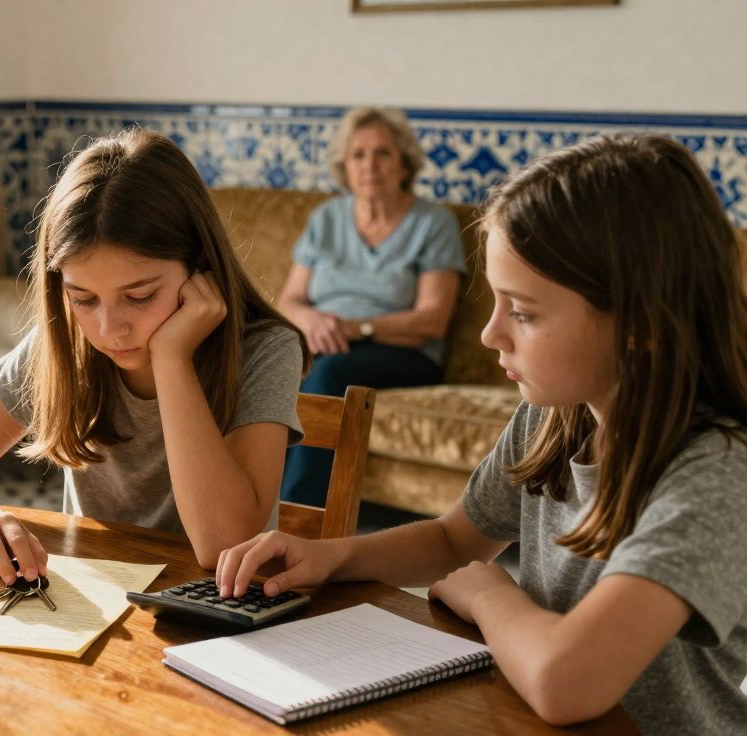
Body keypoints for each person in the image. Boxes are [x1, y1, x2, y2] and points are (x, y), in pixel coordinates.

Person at [216, 134, 747, 731]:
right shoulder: (556, 417)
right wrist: (330, 556)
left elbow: (566, 682)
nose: (490, 334)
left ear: (639, 325)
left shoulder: (716, 475)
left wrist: (493, 596)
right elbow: (452, 542)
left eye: (522, 312)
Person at [0, 128, 309, 586]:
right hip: (96, 606)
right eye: (84, 297)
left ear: (201, 267)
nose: (108, 330)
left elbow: (223, 545)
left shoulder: (266, 349)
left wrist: (172, 358)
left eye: (139, 296)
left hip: (214, 621)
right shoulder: (68, 341)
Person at [277, 106, 465, 506]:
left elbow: (433, 320)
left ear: (405, 164)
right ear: (344, 166)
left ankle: (299, 516)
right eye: (358, 155)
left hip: (401, 354)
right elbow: (289, 300)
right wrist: (312, 320)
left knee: (327, 374)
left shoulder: (434, 223)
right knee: (268, 364)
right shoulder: (326, 218)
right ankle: (249, 510)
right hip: (323, 342)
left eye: (383, 153)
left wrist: (355, 328)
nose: (370, 166)